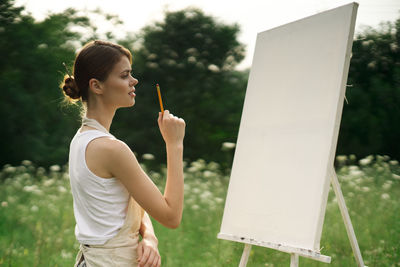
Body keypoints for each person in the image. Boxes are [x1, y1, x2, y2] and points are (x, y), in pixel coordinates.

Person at [61, 40, 186, 267]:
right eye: (124, 75)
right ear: (97, 86)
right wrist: (174, 145)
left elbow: (131, 203)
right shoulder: (111, 149)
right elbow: (171, 216)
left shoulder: (81, 139)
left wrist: (149, 236)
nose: (134, 80)